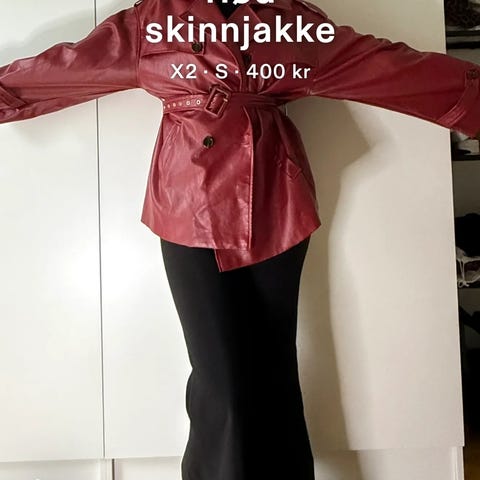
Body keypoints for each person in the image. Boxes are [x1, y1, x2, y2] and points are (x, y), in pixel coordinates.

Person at [1, 1, 480, 479]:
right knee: (221, 382)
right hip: (189, 208)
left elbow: (383, 67)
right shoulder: (155, 19)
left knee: (274, 370)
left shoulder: (289, 19)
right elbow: (70, 67)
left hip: (275, 204)